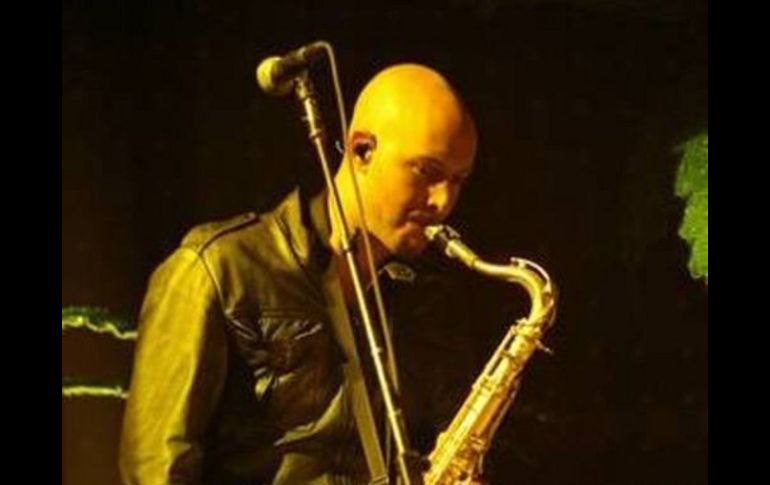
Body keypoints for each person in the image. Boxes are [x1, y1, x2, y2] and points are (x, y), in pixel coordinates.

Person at [119, 62, 478, 484]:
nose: (443, 201)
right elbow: (155, 471)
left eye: (458, 180)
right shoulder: (220, 268)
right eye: (428, 172)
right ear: (362, 149)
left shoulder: (421, 303)